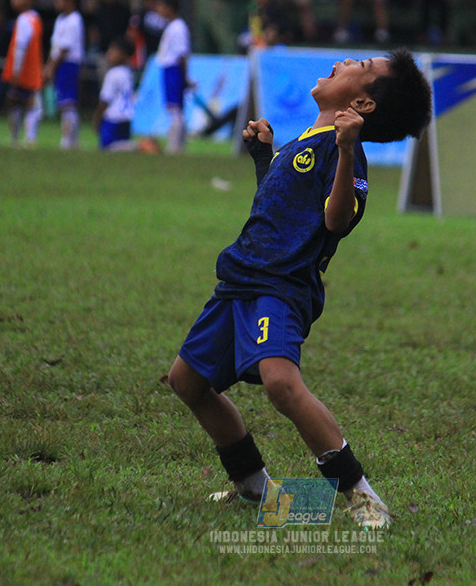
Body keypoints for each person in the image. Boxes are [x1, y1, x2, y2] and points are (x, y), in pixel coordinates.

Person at [166, 48, 433, 529]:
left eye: (361, 67)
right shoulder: (306, 140)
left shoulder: (345, 152)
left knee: (281, 382)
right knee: (187, 381)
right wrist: (263, 158)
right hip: (241, 279)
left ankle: (364, 498)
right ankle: (254, 486)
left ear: (364, 104)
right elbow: (277, 205)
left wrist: (347, 150)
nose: (345, 62)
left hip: (280, 286)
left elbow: (336, 220)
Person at [2, 0, 44, 148]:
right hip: (31, 71)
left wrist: (16, 71)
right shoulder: (35, 18)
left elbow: (20, 47)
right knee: (29, 104)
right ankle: (29, 138)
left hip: (23, 71)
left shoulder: (23, 20)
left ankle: (19, 138)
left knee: (19, 104)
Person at [44, 0, 85, 149]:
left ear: (70, 1)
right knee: (63, 102)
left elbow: (64, 48)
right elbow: (55, 46)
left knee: (67, 102)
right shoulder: (60, 20)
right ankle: (72, 138)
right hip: (59, 63)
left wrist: (51, 67)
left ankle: (69, 139)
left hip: (68, 63)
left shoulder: (74, 20)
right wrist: (49, 64)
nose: (57, 2)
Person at [155, 0, 191, 154]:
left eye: (162, 7)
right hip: (170, 69)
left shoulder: (178, 27)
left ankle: (175, 145)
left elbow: (182, 54)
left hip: (174, 68)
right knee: (173, 108)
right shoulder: (171, 26)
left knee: (175, 108)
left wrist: (184, 76)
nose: (159, 10)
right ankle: (177, 143)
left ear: (169, 8)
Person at [92, 38, 137, 152]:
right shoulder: (128, 73)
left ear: (124, 55)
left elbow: (105, 100)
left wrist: (97, 117)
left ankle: (140, 146)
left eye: (114, 51)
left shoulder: (113, 73)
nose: (109, 53)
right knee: (121, 148)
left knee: (107, 148)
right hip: (126, 118)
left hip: (112, 118)